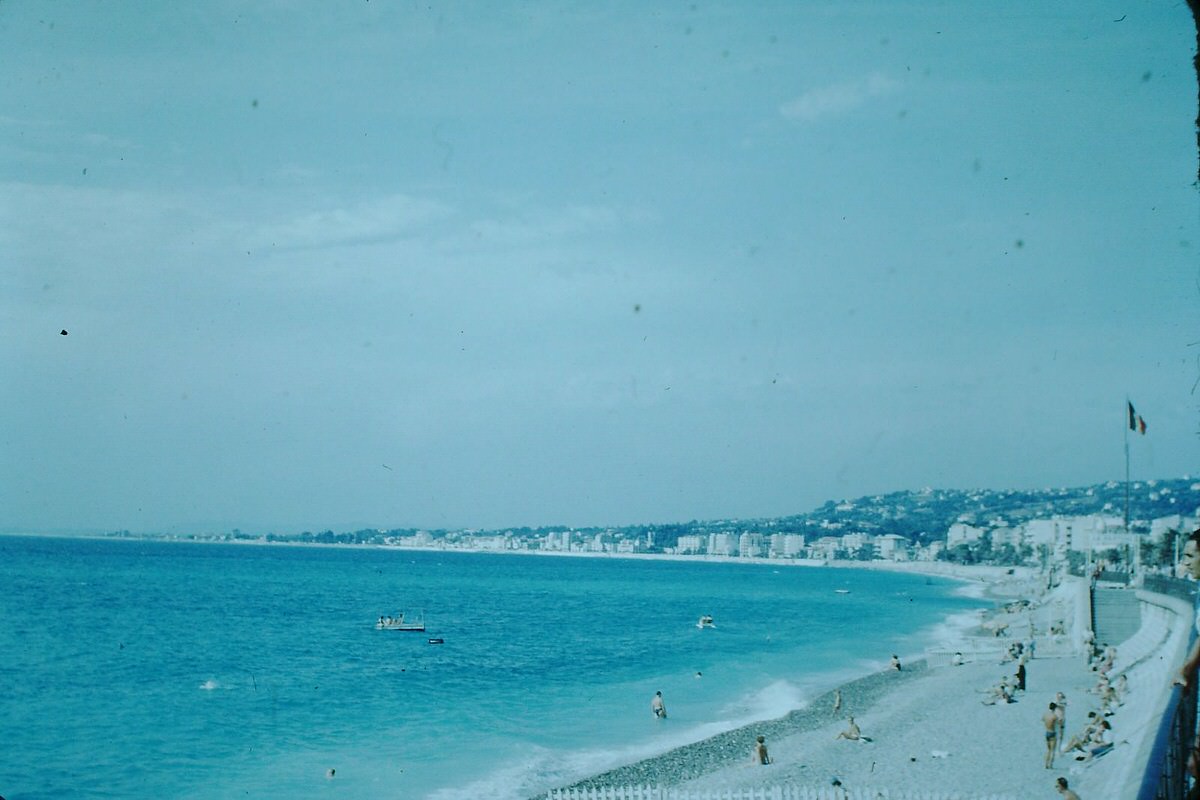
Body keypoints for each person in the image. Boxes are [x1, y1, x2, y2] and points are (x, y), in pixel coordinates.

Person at [1042, 703, 1059, 768]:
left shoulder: (1045, 715)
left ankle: (1046, 764)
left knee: (1048, 750)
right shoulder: (1054, 716)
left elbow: (1043, 720)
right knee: (1052, 751)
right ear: (1055, 708)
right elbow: (1057, 724)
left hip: (1047, 732)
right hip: (1053, 733)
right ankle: (1051, 765)